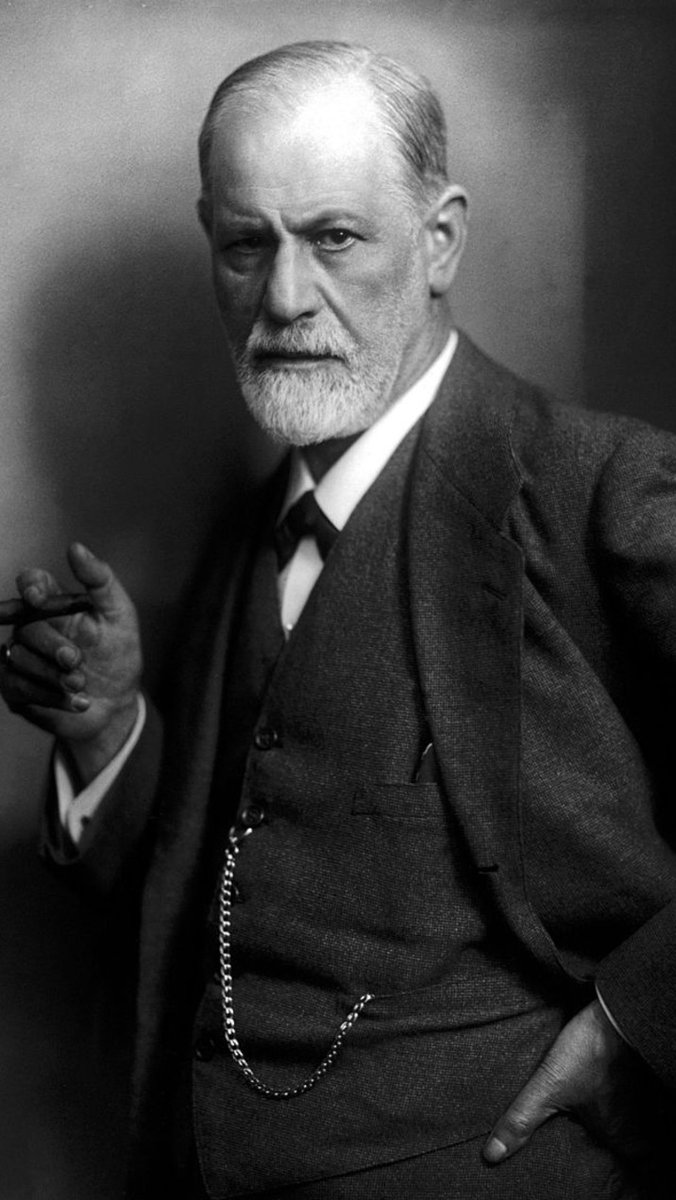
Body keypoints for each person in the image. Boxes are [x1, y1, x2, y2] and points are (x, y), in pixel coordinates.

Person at [1, 39, 675, 1200]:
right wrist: (107, 730)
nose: (282, 298)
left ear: (439, 241)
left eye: (335, 238)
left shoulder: (598, 489)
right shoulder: (244, 530)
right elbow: (224, 882)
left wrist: (639, 1027)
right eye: (245, 245)